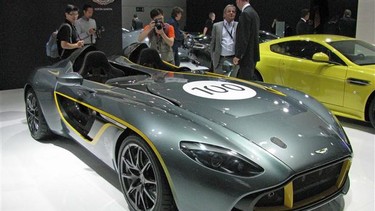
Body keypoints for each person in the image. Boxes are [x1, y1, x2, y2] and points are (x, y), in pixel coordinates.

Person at [233, 0, 260, 81]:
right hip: (252, 56)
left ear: (239, 1)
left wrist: (238, 55)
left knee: (243, 83)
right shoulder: (254, 13)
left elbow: (243, 37)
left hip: (246, 57)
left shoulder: (245, 14)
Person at [210, 4, 238, 76]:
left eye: (233, 11)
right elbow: (212, 43)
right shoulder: (217, 26)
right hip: (219, 60)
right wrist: (213, 58)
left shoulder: (238, 26)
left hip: (233, 60)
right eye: (229, 11)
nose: (231, 13)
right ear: (224, 14)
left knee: (232, 84)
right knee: (218, 83)